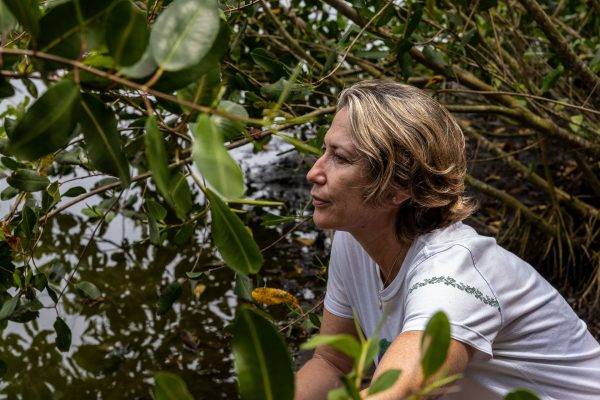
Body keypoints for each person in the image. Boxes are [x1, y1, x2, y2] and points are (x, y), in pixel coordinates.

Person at [295, 80, 600, 400]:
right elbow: (332, 362)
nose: (314, 172)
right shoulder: (355, 239)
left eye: (341, 158)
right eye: (324, 150)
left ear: (398, 187)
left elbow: (401, 394)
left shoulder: (451, 276)